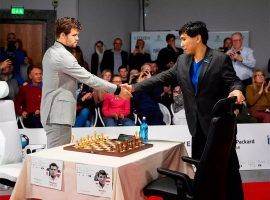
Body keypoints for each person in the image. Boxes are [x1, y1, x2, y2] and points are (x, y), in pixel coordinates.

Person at [122, 21, 245, 200]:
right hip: (197, 127)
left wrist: (237, 90)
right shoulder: (182, 60)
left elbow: (234, 81)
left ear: (198, 38)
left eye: (184, 39)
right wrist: (133, 87)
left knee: (229, 169)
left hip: (219, 127)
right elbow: (161, 78)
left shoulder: (219, 58)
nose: (182, 44)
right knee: (203, 173)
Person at [41, 17, 131, 148]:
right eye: (74, 35)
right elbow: (89, 78)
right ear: (62, 35)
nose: (77, 38)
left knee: (57, 159)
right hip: (57, 115)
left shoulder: (51, 51)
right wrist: (117, 90)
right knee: (56, 161)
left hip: (55, 114)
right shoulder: (62, 55)